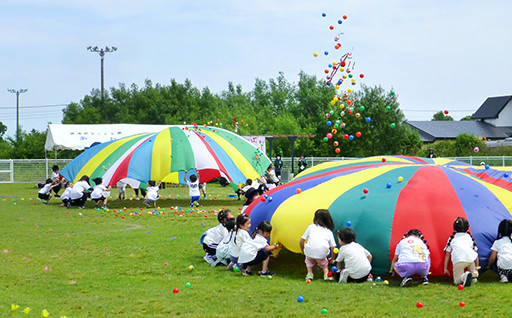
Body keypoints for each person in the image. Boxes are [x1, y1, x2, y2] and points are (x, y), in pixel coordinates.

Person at [300, 209, 337, 281]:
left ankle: (309, 273)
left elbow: (301, 241)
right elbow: (333, 247)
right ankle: (326, 274)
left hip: (309, 252)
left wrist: (303, 250)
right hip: (321, 254)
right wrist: (332, 258)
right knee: (324, 263)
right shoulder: (328, 231)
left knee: (308, 260)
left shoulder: (310, 227)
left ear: (315, 218)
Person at [444, 217, 479, 287]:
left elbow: (447, 254)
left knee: (457, 281)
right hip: (471, 259)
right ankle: (474, 276)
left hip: (458, 260)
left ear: (454, 227)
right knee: (472, 265)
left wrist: (445, 268)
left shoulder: (452, 238)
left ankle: (464, 276)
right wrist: (476, 267)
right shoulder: (469, 237)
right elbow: (475, 253)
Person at [487, 219, 512, 283]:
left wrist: (488, 265)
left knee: (498, 262)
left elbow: (492, 257)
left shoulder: (498, 242)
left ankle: (503, 276)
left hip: (503, 267)